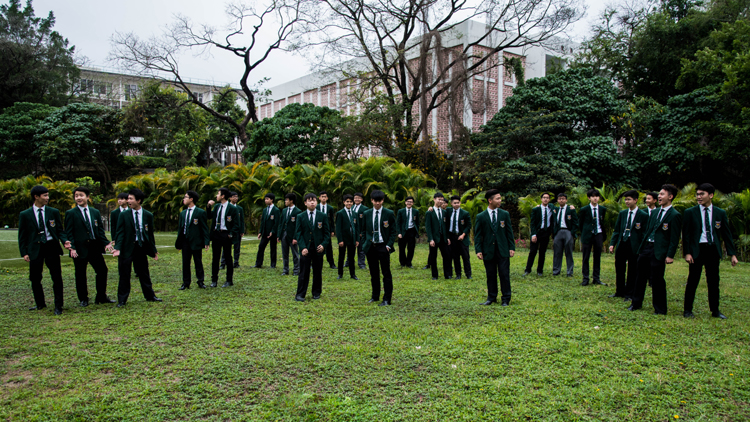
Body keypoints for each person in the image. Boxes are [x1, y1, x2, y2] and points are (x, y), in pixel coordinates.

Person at [682, 183, 738, 319]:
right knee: (693, 280)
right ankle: (687, 310)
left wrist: (733, 254)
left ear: (711, 195)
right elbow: (686, 235)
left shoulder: (720, 213)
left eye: (702, 194)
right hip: (697, 250)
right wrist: (687, 252)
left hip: (712, 249)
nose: (699, 197)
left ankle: (715, 310)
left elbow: (726, 234)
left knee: (713, 281)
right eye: (697, 194)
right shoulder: (690, 212)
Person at [628, 184, 682, 315]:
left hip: (659, 251)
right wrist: (642, 248)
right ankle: (636, 303)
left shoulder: (674, 215)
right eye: (659, 194)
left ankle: (660, 309)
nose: (659, 196)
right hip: (647, 247)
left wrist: (670, 255)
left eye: (662, 194)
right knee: (640, 276)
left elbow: (674, 238)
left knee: (657, 279)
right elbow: (647, 231)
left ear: (670, 197)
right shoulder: (655, 212)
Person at [18, 185, 68, 315]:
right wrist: (24, 252)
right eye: (45, 195)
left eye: (47, 195)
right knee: (35, 277)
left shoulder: (53, 212)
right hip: (35, 248)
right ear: (36, 197)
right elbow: (22, 236)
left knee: (56, 277)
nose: (47, 198)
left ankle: (58, 305)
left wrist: (65, 241)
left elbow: (60, 230)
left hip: (51, 247)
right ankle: (40, 303)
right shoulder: (25, 214)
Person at [64, 186, 114, 307]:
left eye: (81, 195)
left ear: (87, 197)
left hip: (94, 247)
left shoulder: (95, 212)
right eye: (76, 196)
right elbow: (69, 233)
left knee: (102, 270)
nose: (78, 198)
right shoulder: (70, 213)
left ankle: (101, 296)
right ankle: (83, 299)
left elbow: (100, 231)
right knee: (80, 274)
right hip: (79, 249)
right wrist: (72, 247)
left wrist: (106, 242)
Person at [112, 189, 162, 307]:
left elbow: (150, 234)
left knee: (144, 273)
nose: (128, 201)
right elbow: (119, 232)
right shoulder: (124, 215)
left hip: (141, 248)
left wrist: (153, 250)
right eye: (128, 198)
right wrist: (118, 247)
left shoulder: (148, 215)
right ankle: (122, 300)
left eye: (131, 199)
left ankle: (150, 296)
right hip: (127, 248)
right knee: (124, 274)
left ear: (138, 200)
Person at [474, 189, 515, 306]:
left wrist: (511, 247)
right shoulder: (481, 216)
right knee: (490, 275)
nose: (500, 200)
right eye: (497, 198)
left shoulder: (504, 214)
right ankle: (491, 297)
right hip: (488, 250)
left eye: (500, 198)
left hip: (503, 250)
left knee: (504, 274)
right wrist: (478, 250)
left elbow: (509, 233)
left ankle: (506, 298)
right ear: (490, 200)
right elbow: (478, 235)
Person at [608, 190, 648, 300]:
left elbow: (644, 233)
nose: (627, 201)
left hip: (634, 245)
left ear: (636, 200)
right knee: (619, 268)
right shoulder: (622, 213)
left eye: (629, 199)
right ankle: (619, 291)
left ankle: (629, 293)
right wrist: (612, 244)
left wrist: (641, 248)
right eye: (625, 199)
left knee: (632, 270)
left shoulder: (643, 215)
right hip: (622, 242)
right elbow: (616, 230)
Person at [362, 190, 397, 306]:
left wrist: (388, 245)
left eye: (380, 201)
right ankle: (375, 296)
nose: (377, 203)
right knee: (374, 273)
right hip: (371, 246)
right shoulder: (366, 213)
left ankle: (387, 299)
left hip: (383, 246)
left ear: (383, 201)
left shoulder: (389, 213)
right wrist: (364, 243)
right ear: (371, 200)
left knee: (386, 273)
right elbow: (362, 230)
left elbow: (393, 231)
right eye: (375, 201)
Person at [294, 193, 330, 301]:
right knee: (304, 272)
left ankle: (316, 292)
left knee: (317, 272)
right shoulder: (301, 216)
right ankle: (300, 294)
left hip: (318, 249)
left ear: (317, 202)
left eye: (314, 200)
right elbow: (298, 233)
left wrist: (323, 245)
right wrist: (303, 247)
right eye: (310, 200)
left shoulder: (322, 216)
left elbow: (327, 234)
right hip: (306, 249)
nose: (312, 202)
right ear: (305, 203)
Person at [176, 190, 210, 290]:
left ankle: (200, 281)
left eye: (185, 197)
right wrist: (179, 243)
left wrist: (206, 241)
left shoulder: (200, 212)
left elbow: (204, 228)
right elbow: (180, 229)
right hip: (185, 241)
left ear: (191, 199)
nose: (184, 199)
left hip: (196, 242)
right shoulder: (183, 213)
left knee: (198, 262)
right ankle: (186, 282)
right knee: (185, 262)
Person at [208, 188, 241, 287]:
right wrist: (209, 206)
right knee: (215, 258)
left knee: (228, 258)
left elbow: (236, 224)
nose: (216, 196)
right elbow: (209, 216)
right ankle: (214, 280)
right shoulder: (217, 206)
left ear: (223, 196)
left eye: (218, 194)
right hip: (216, 234)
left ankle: (229, 280)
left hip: (226, 234)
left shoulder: (232, 208)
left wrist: (230, 234)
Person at [578, 189, 608, 286]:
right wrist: (585, 232)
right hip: (587, 235)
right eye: (593, 196)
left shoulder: (602, 209)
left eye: (597, 196)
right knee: (586, 257)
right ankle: (585, 278)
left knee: (597, 257)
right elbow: (581, 223)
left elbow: (603, 222)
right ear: (589, 198)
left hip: (598, 234)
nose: (595, 198)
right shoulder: (584, 210)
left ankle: (596, 278)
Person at [524, 192, 555, 276]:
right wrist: (533, 234)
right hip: (537, 232)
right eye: (544, 197)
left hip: (546, 232)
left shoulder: (551, 208)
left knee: (542, 252)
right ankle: (527, 270)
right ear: (541, 199)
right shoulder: (536, 209)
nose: (545, 199)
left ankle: (540, 271)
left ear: (549, 200)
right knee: (533, 251)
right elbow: (532, 223)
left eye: (547, 198)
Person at [425, 193, 452, 280]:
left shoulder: (444, 212)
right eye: (439, 199)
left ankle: (447, 274)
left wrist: (447, 237)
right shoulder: (430, 212)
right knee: (433, 257)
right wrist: (430, 239)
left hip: (443, 238)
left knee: (447, 256)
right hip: (434, 238)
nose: (440, 201)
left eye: (442, 200)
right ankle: (434, 275)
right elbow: (428, 227)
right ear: (434, 200)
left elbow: (446, 226)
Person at [551, 193, 577, 277]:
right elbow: (548, 204)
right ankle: (556, 270)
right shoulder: (556, 209)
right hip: (558, 231)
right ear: (557, 200)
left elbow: (575, 222)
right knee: (557, 252)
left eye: (563, 198)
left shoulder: (570, 209)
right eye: (559, 199)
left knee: (568, 252)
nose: (561, 200)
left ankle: (569, 271)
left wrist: (572, 232)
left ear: (566, 200)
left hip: (567, 231)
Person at [446, 195, 472, 279]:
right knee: (455, 257)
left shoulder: (465, 213)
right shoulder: (448, 211)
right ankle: (458, 274)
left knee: (465, 257)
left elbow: (468, 226)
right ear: (451, 203)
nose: (456, 204)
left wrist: (463, 234)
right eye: (454, 203)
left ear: (460, 203)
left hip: (462, 237)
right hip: (452, 237)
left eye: (458, 203)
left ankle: (468, 274)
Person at [335, 194, 359, 280]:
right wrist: (340, 240)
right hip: (343, 239)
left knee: (351, 257)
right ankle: (340, 274)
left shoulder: (355, 213)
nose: (349, 203)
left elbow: (357, 227)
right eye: (347, 201)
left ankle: (352, 274)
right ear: (344, 202)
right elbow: (338, 228)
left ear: (352, 203)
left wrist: (357, 239)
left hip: (352, 239)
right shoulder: (340, 213)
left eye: (350, 202)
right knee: (341, 256)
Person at [254, 193, 279, 269]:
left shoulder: (276, 210)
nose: (266, 200)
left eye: (267, 199)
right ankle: (258, 263)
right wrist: (260, 232)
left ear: (272, 200)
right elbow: (262, 222)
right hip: (265, 233)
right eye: (265, 199)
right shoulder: (265, 210)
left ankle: (273, 264)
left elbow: (277, 222)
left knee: (273, 248)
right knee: (261, 247)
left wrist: (272, 231)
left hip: (272, 233)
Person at [278, 193, 302, 276]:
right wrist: (279, 235)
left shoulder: (298, 211)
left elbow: (298, 226)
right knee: (285, 253)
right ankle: (285, 270)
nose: (285, 201)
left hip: (292, 236)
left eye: (286, 200)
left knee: (295, 254)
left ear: (291, 201)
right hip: (284, 234)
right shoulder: (284, 211)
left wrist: (295, 237)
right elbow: (281, 223)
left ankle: (296, 270)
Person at [221, 191, 245, 269]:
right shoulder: (226, 207)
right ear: (230, 198)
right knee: (226, 247)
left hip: (237, 230)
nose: (236, 198)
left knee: (237, 247)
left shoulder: (239, 208)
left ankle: (236, 262)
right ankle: (223, 263)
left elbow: (241, 220)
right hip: (228, 230)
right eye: (234, 196)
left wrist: (242, 230)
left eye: (237, 197)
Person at [396, 196, 420, 268]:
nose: (409, 203)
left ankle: (409, 263)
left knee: (411, 248)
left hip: (411, 231)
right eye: (408, 201)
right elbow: (398, 223)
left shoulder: (416, 211)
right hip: (403, 231)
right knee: (402, 248)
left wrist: (416, 231)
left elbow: (417, 222)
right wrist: (399, 232)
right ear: (405, 202)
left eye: (411, 202)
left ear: (413, 203)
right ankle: (402, 263)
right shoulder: (401, 211)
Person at [317, 191, 337, 269]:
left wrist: (332, 230)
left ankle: (331, 263)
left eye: (325, 196)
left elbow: (332, 220)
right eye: (322, 196)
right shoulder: (317, 207)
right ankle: (314, 263)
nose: (324, 198)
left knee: (328, 247)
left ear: (327, 198)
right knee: (317, 245)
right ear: (319, 198)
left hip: (327, 229)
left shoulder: (330, 208)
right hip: (318, 229)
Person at [352, 192, 369, 270]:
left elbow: (366, 222)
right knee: (351, 248)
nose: (357, 199)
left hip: (361, 232)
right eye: (355, 198)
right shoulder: (351, 207)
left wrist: (363, 232)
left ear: (361, 199)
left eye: (358, 198)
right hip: (352, 232)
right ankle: (349, 262)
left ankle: (361, 264)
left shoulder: (365, 209)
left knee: (361, 249)